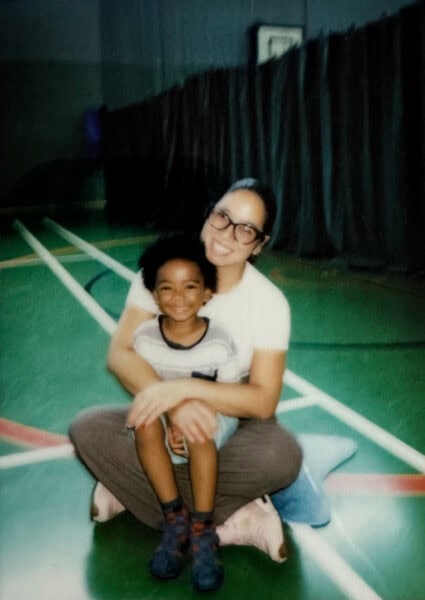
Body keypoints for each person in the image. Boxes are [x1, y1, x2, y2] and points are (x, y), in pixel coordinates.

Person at [69, 178, 303, 588]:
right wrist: (172, 405)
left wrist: (185, 393)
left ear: (259, 244)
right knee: (86, 428)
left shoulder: (268, 304)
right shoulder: (163, 271)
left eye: (245, 229)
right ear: (210, 212)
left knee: (281, 456)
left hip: (232, 419)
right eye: (222, 216)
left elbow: (263, 401)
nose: (227, 234)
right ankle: (225, 518)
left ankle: (137, 492)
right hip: (161, 415)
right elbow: (121, 353)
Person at [131, 232, 240, 590]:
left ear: (207, 292)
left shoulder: (220, 340)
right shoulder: (145, 338)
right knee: (144, 419)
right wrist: (168, 419)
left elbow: (229, 397)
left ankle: (203, 528)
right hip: (168, 418)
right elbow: (149, 390)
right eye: (167, 288)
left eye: (190, 286)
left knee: (196, 422)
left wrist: (188, 415)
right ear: (154, 295)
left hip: (213, 418)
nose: (179, 298)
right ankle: (175, 517)